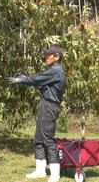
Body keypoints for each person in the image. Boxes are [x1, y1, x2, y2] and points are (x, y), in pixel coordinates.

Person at [8, 46, 67, 182]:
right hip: (46, 104)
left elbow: (37, 79)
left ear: (57, 57)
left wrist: (22, 80)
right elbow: (40, 83)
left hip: (50, 106)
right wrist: (28, 81)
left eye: (49, 55)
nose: (46, 58)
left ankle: (55, 173)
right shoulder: (53, 72)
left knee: (48, 138)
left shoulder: (55, 71)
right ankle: (40, 170)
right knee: (39, 138)